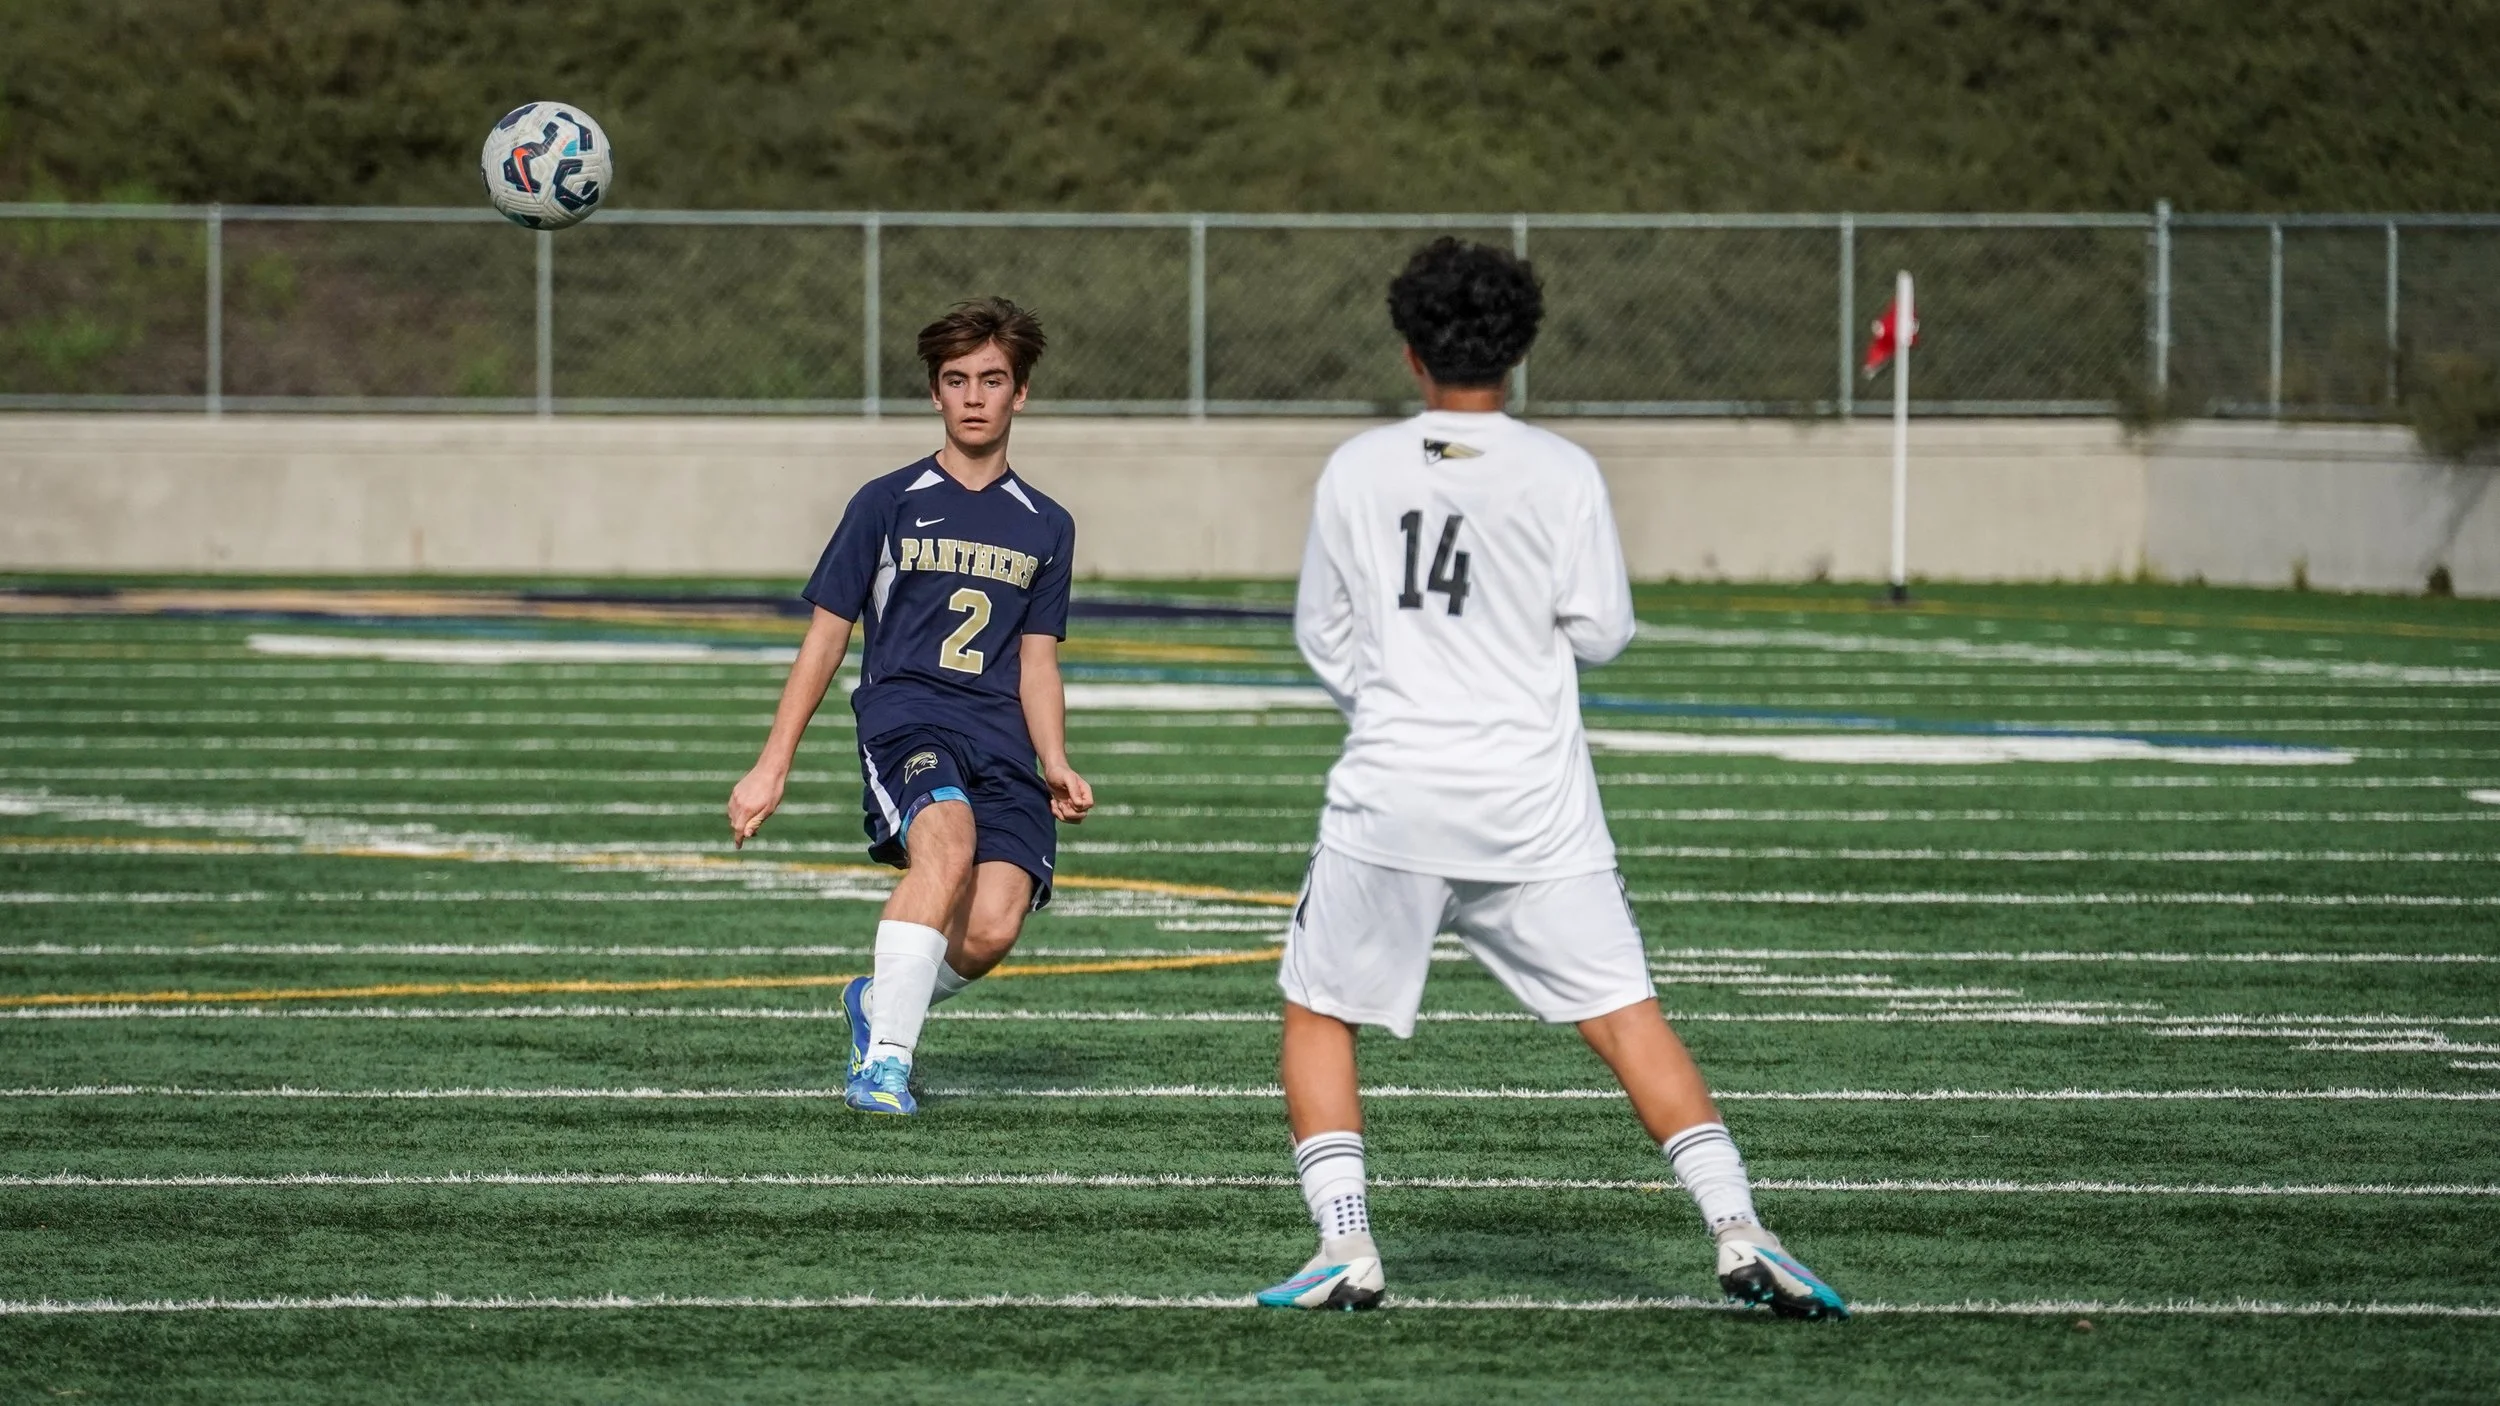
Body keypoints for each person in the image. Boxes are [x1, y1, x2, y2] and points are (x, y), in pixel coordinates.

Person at [1255, 239, 1847, 1318]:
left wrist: (1395, 700)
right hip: (1534, 802)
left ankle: (1345, 1242)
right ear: (1518, 352)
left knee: (1318, 1005)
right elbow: (1604, 630)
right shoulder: (1562, 470)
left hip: (1393, 791)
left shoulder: (1358, 468)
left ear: (1409, 350)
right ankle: (1739, 1225)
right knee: (1625, 1015)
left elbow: (1322, 633)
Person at [727, 296, 1092, 1117]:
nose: (973, 397)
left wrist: (1056, 760)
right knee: (946, 843)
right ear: (934, 392)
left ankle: (875, 1003)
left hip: (1002, 738)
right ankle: (884, 1064)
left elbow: (1037, 661)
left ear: (1020, 393)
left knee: (993, 926)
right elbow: (826, 638)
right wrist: (771, 764)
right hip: (908, 718)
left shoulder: (1048, 525)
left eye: (991, 380)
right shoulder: (886, 501)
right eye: (956, 380)